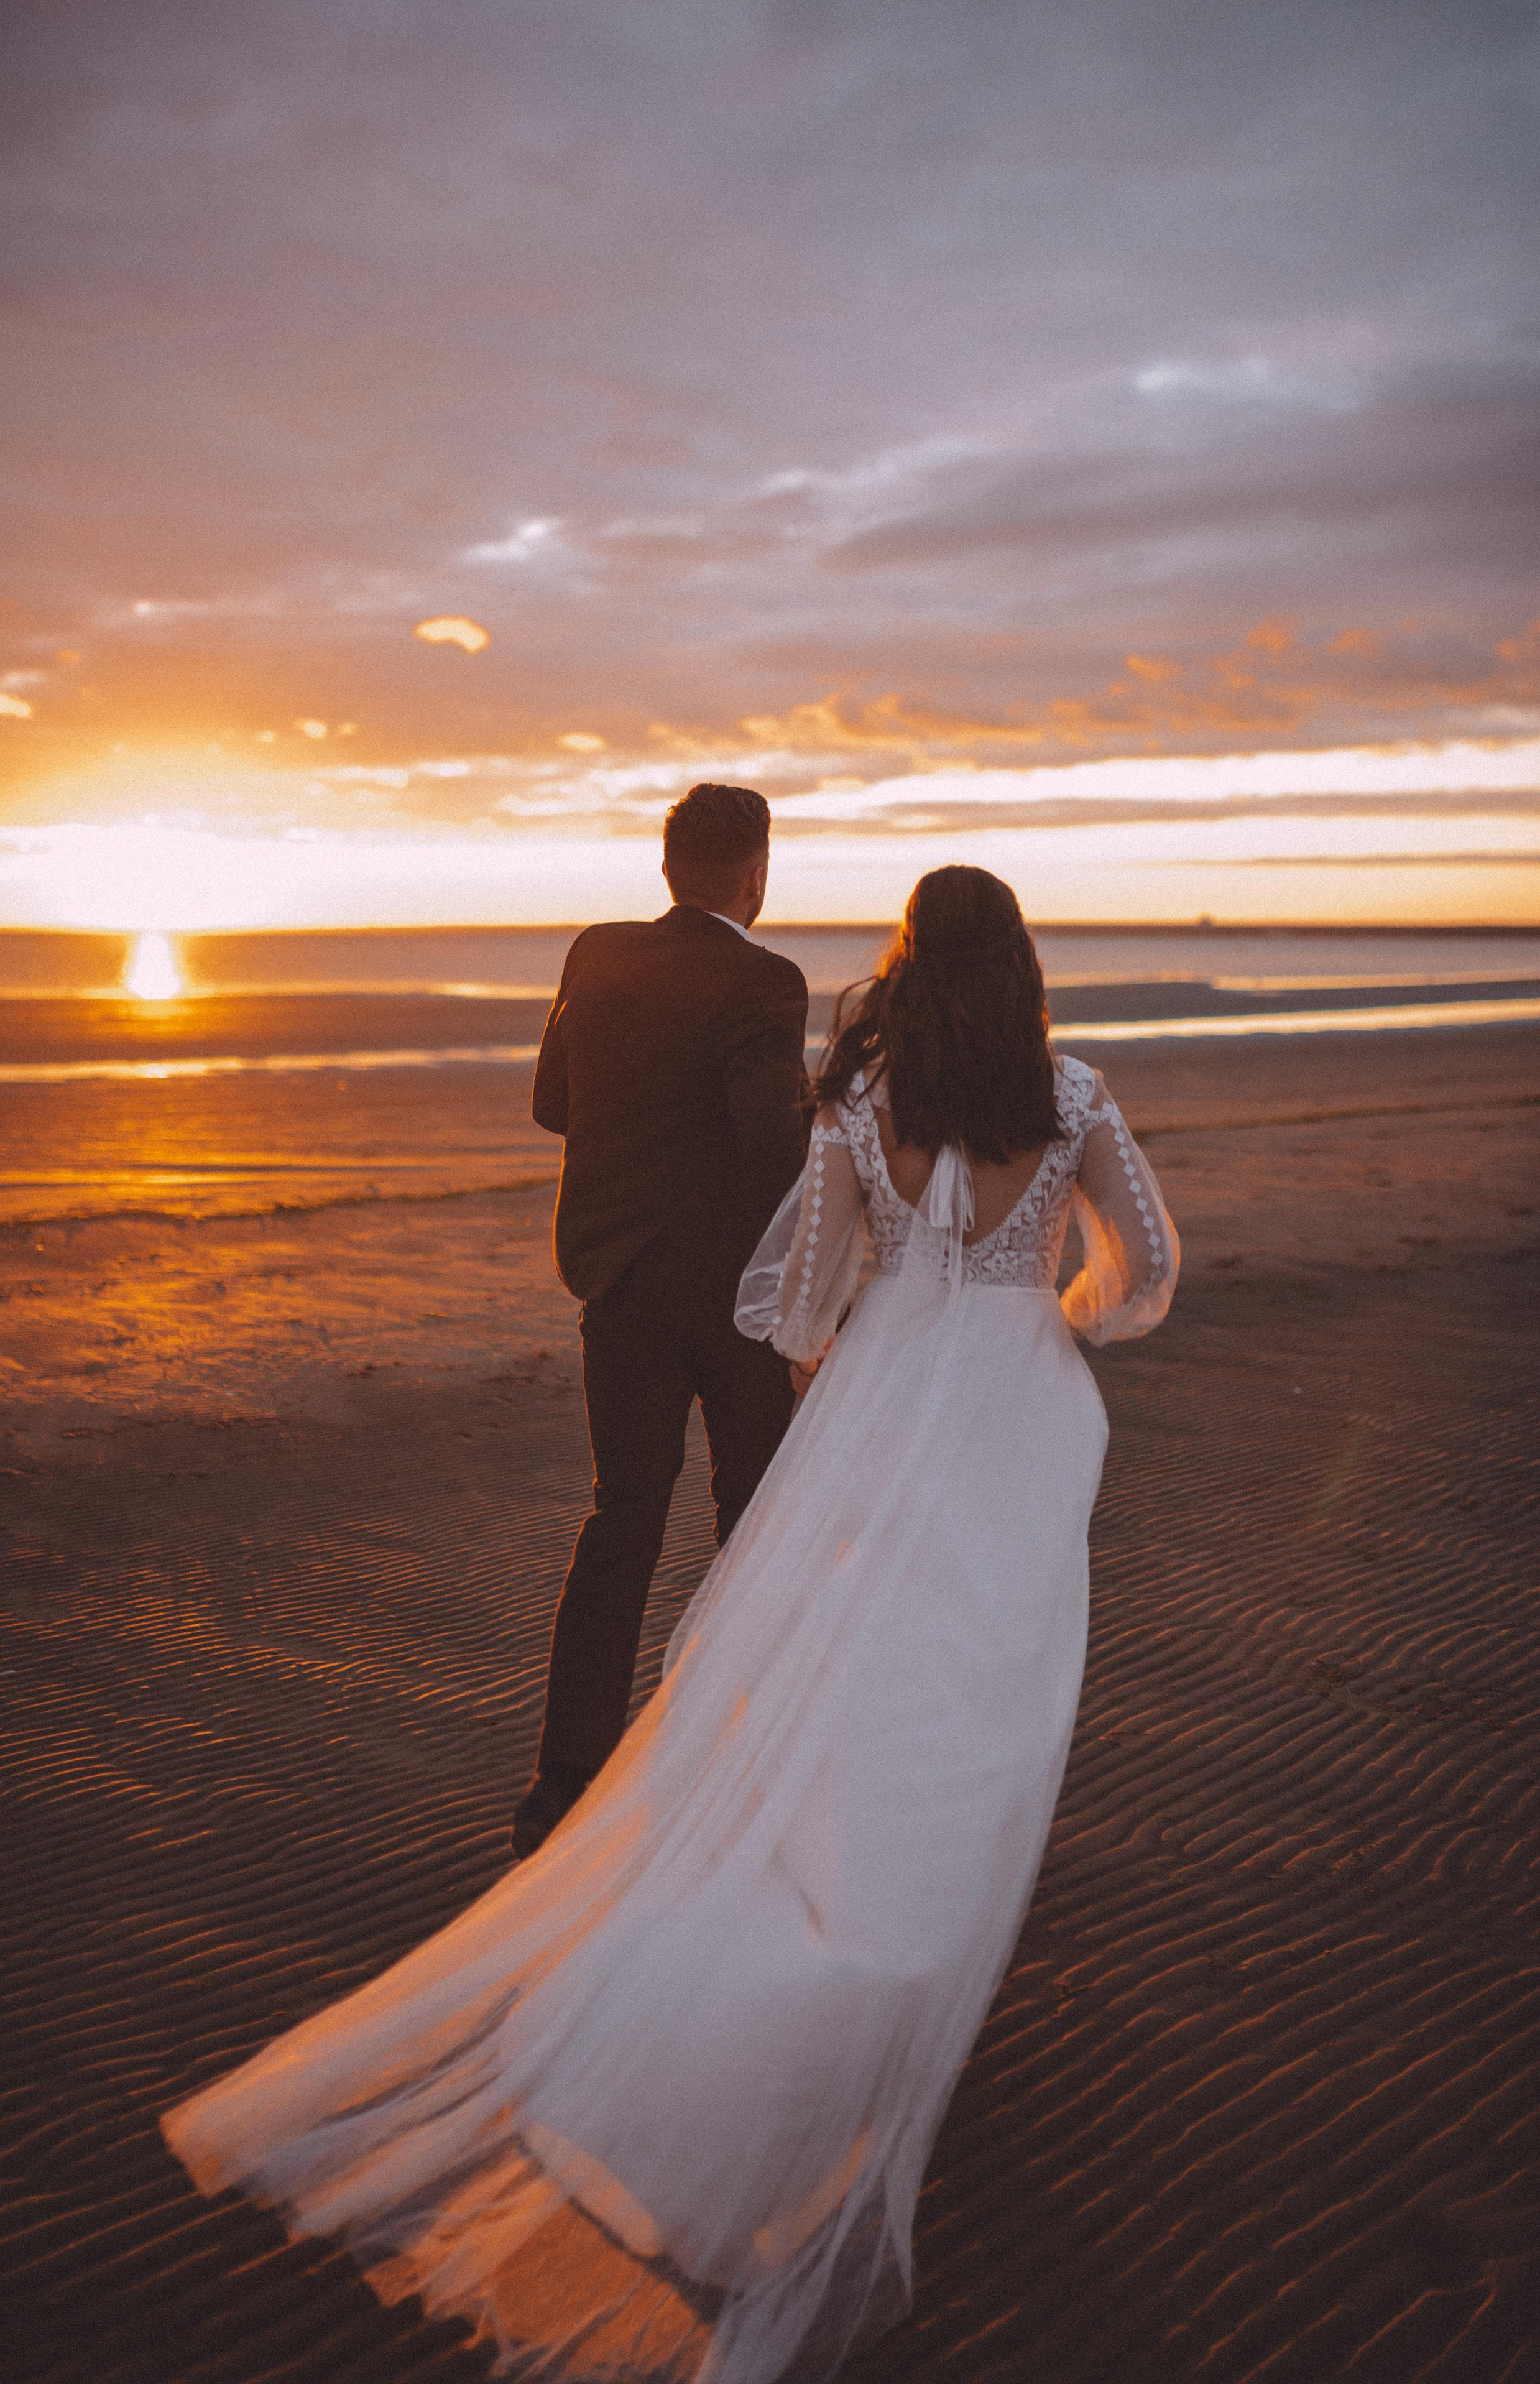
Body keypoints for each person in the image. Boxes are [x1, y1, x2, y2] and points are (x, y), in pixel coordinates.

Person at [162, 864, 1179, 2384]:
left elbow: (793, 1298)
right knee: (977, 1700)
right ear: (1021, 964)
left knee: (838, 1682)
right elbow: (1146, 1272)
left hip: (880, 1402)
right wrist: (1044, 1320)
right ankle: (911, 1967)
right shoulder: (1072, 1091)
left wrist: (869, 1342)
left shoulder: (866, 1096)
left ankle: (810, 1944)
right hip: (1012, 1424)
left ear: (908, 959)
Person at [510, 781, 810, 1861]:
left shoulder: (598, 952)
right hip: (733, 1305)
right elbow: (776, 1152)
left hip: (621, 1291)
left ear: (669, 863)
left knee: (621, 1523)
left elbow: (555, 1104)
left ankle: (561, 1787)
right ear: (755, 874)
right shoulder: (768, 980)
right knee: (750, 1528)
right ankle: (738, 1765)